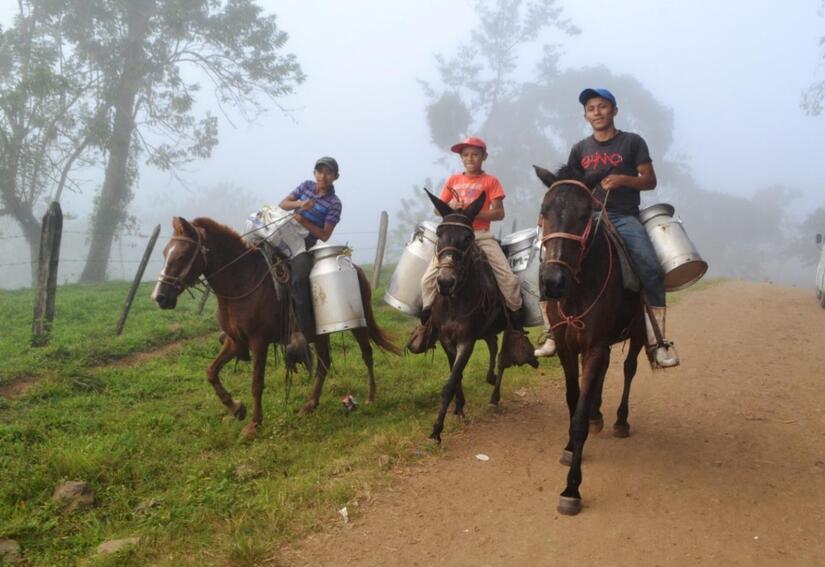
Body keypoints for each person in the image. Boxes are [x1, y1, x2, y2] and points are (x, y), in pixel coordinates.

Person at [539, 88, 678, 368]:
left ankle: (657, 340)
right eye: (591, 108)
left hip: (623, 216)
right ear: (585, 115)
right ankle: (552, 332)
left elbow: (649, 180)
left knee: (650, 267)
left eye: (602, 106)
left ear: (614, 110)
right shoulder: (580, 149)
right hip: (587, 217)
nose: (597, 112)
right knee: (548, 262)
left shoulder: (632, 142)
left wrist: (624, 180)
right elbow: (570, 186)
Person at [407, 136, 525, 353]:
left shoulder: (491, 181)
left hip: (480, 235)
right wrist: (452, 206)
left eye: (475, 155)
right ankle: (427, 326)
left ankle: (516, 331)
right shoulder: (453, 180)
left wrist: (473, 212)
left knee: (509, 280)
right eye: (465, 155)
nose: (470, 159)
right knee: (427, 280)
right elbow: (437, 210)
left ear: (484, 157)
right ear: (461, 158)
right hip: (453, 237)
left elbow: (499, 213)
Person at [278, 156, 342, 363]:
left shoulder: (334, 203)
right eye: (320, 171)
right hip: (285, 234)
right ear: (314, 173)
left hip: (306, 244)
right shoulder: (306, 186)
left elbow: (324, 235)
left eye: (328, 173)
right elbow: (283, 204)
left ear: (335, 177)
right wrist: (300, 204)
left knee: (299, 279)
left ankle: (305, 334)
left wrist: (303, 219)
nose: (323, 176)